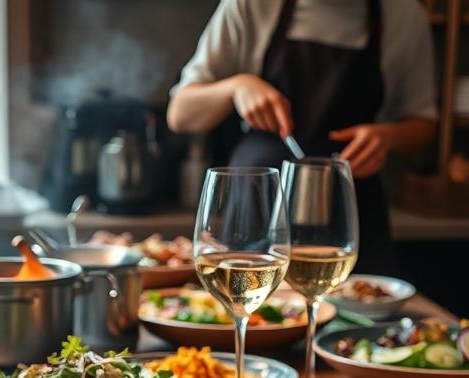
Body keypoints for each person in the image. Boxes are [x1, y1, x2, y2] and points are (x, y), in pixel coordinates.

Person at [168, 0, 438, 273]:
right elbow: (180, 114)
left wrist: (389, 136)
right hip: (256, 208)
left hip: (349, 216)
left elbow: (423, 124)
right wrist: (236, 87)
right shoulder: (251, 5)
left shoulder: (403, 14)